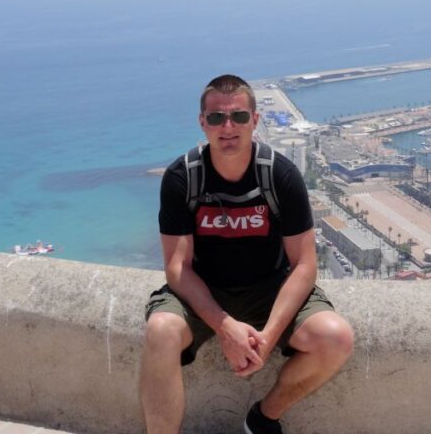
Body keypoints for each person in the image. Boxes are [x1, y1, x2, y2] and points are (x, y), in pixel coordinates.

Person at [140, 74, 353, 434]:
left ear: (255, 121)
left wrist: (267, 337)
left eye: (238, 117)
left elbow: (303, 265)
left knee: (336, 337)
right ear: (202, 123)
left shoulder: (279, 175)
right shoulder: (183, 178)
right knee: (160, 331)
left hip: (270, 289)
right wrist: (224, 328)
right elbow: (177, 268)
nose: (228, 127)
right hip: (204, 292)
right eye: (216, 118)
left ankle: (263, 417)